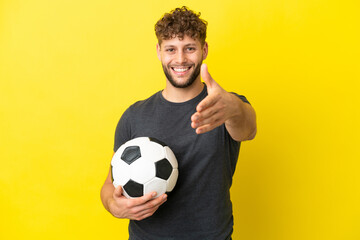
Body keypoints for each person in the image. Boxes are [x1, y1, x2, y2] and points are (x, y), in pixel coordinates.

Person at [100, 6, 257, 240]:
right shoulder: (134, 116)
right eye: (171, 49)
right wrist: (114, 205)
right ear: (159, 51)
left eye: (190, 48)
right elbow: (109, 185)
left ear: (204, 50)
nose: (180, 59)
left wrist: (234, 108)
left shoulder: (222, 106)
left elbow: (248, 128)